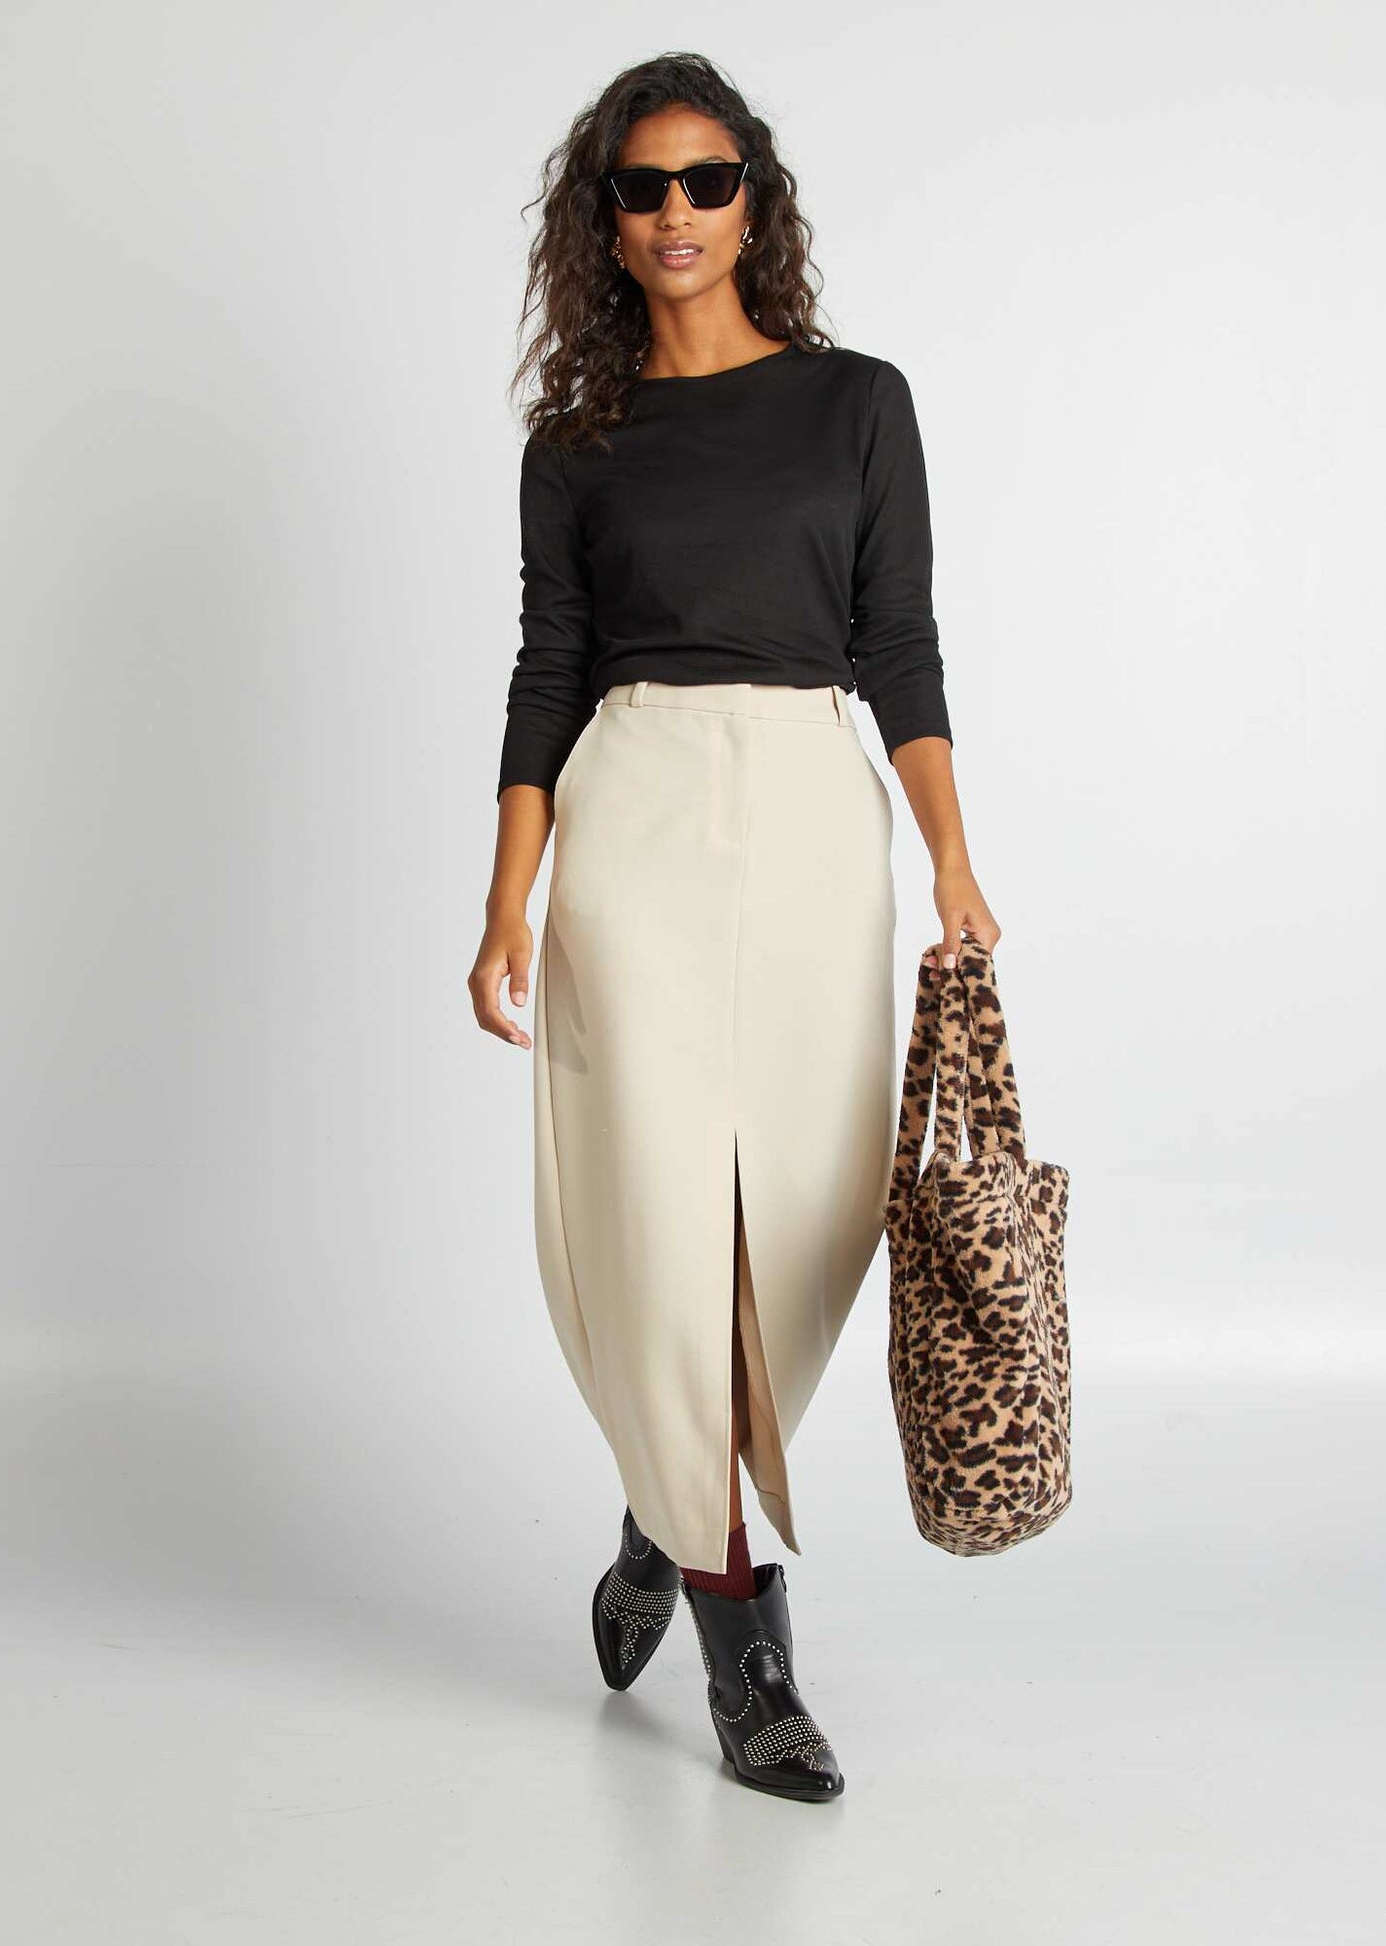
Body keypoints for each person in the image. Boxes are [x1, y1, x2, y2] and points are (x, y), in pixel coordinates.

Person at [468, 53, 1002, 1803]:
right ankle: (741, 1637)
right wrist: (506, 897)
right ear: (606, 223)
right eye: (642, 188)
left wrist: (952, 859)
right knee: (658, 1201)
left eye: (707, 181)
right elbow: (549, 668)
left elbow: (898, 641)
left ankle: (661, 1495)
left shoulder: (857, 403)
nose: (677, 213)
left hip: (808, 817)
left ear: (752, 202)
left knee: (804, 1211)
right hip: (630, 814)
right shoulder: (577, 446)